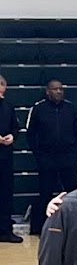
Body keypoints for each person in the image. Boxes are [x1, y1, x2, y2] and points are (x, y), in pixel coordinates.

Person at [26, 80, 77, 233]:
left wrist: (74, 154)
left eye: (61, 89)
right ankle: (41, 228)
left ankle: (76, 225)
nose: (58, 91)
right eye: (55, 89)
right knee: (45, 192)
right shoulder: (38, 109)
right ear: (47, 91)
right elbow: (30, 134)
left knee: (73, 192)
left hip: (68, 158)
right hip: (46, 158)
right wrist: (39, 155)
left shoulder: (72, 109)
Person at [0, 75, 20, 241]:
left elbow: (15, 127)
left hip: (5, 157)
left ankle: (5, 230)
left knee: (6, 193)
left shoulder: (8, 106)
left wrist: (12, 136)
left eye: (2, 84)